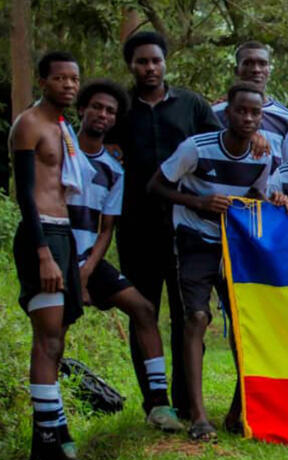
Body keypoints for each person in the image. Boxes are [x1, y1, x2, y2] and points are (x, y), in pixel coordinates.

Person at [147, 82, 273, 442]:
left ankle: (238, 411)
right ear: (226, 113)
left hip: (236, 245)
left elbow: (258, 195)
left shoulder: (262, 155)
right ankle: (199, 416)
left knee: (243, 324)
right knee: (197, 317)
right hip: (195, 239)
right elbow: (155, 186)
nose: (247, 118)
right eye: (241, 111)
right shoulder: (196, 148)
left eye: (255, 112)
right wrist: (198, 203)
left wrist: (269, 202)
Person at [109, 31, 222, 421]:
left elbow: (219, 143)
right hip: (135, 226)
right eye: (141, 62)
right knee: (143, 312)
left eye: (155, 60)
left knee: (188, 314)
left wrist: (256, 139)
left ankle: (188, 402)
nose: (150, 68)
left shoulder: (191, 105)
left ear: (165, 62)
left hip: (186, 228)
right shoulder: (120, 109)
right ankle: (155, 402)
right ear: (131, 66)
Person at [68, 80, 184, 433]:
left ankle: (159, 404)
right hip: (55, 253)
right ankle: (51, 416)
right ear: (81, 110)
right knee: (54, 332)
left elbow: (106, 229)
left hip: (88, 259)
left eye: (110, 111)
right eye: (96, 107)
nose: (102, 115)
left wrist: (87, 272)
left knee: (144, 309)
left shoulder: (114, 168)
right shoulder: (60, 148)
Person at [11, 52, 90, 460]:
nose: (69, 85)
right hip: (40, 236)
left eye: (74, 79)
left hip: (63, 234)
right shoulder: (29, 124)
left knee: (57, 340)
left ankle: (49, 438)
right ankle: (49, 450)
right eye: (60, 78)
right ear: (43, 81)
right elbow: (25, 192)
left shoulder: (64, 128)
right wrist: (42, 252)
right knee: (46, 340)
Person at [213, 41, 288, 171]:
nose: (256, 70)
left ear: (269, 69)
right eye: (248, 63)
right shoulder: (215, 113)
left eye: (262, 63)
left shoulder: (287, 118)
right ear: (237, 70)